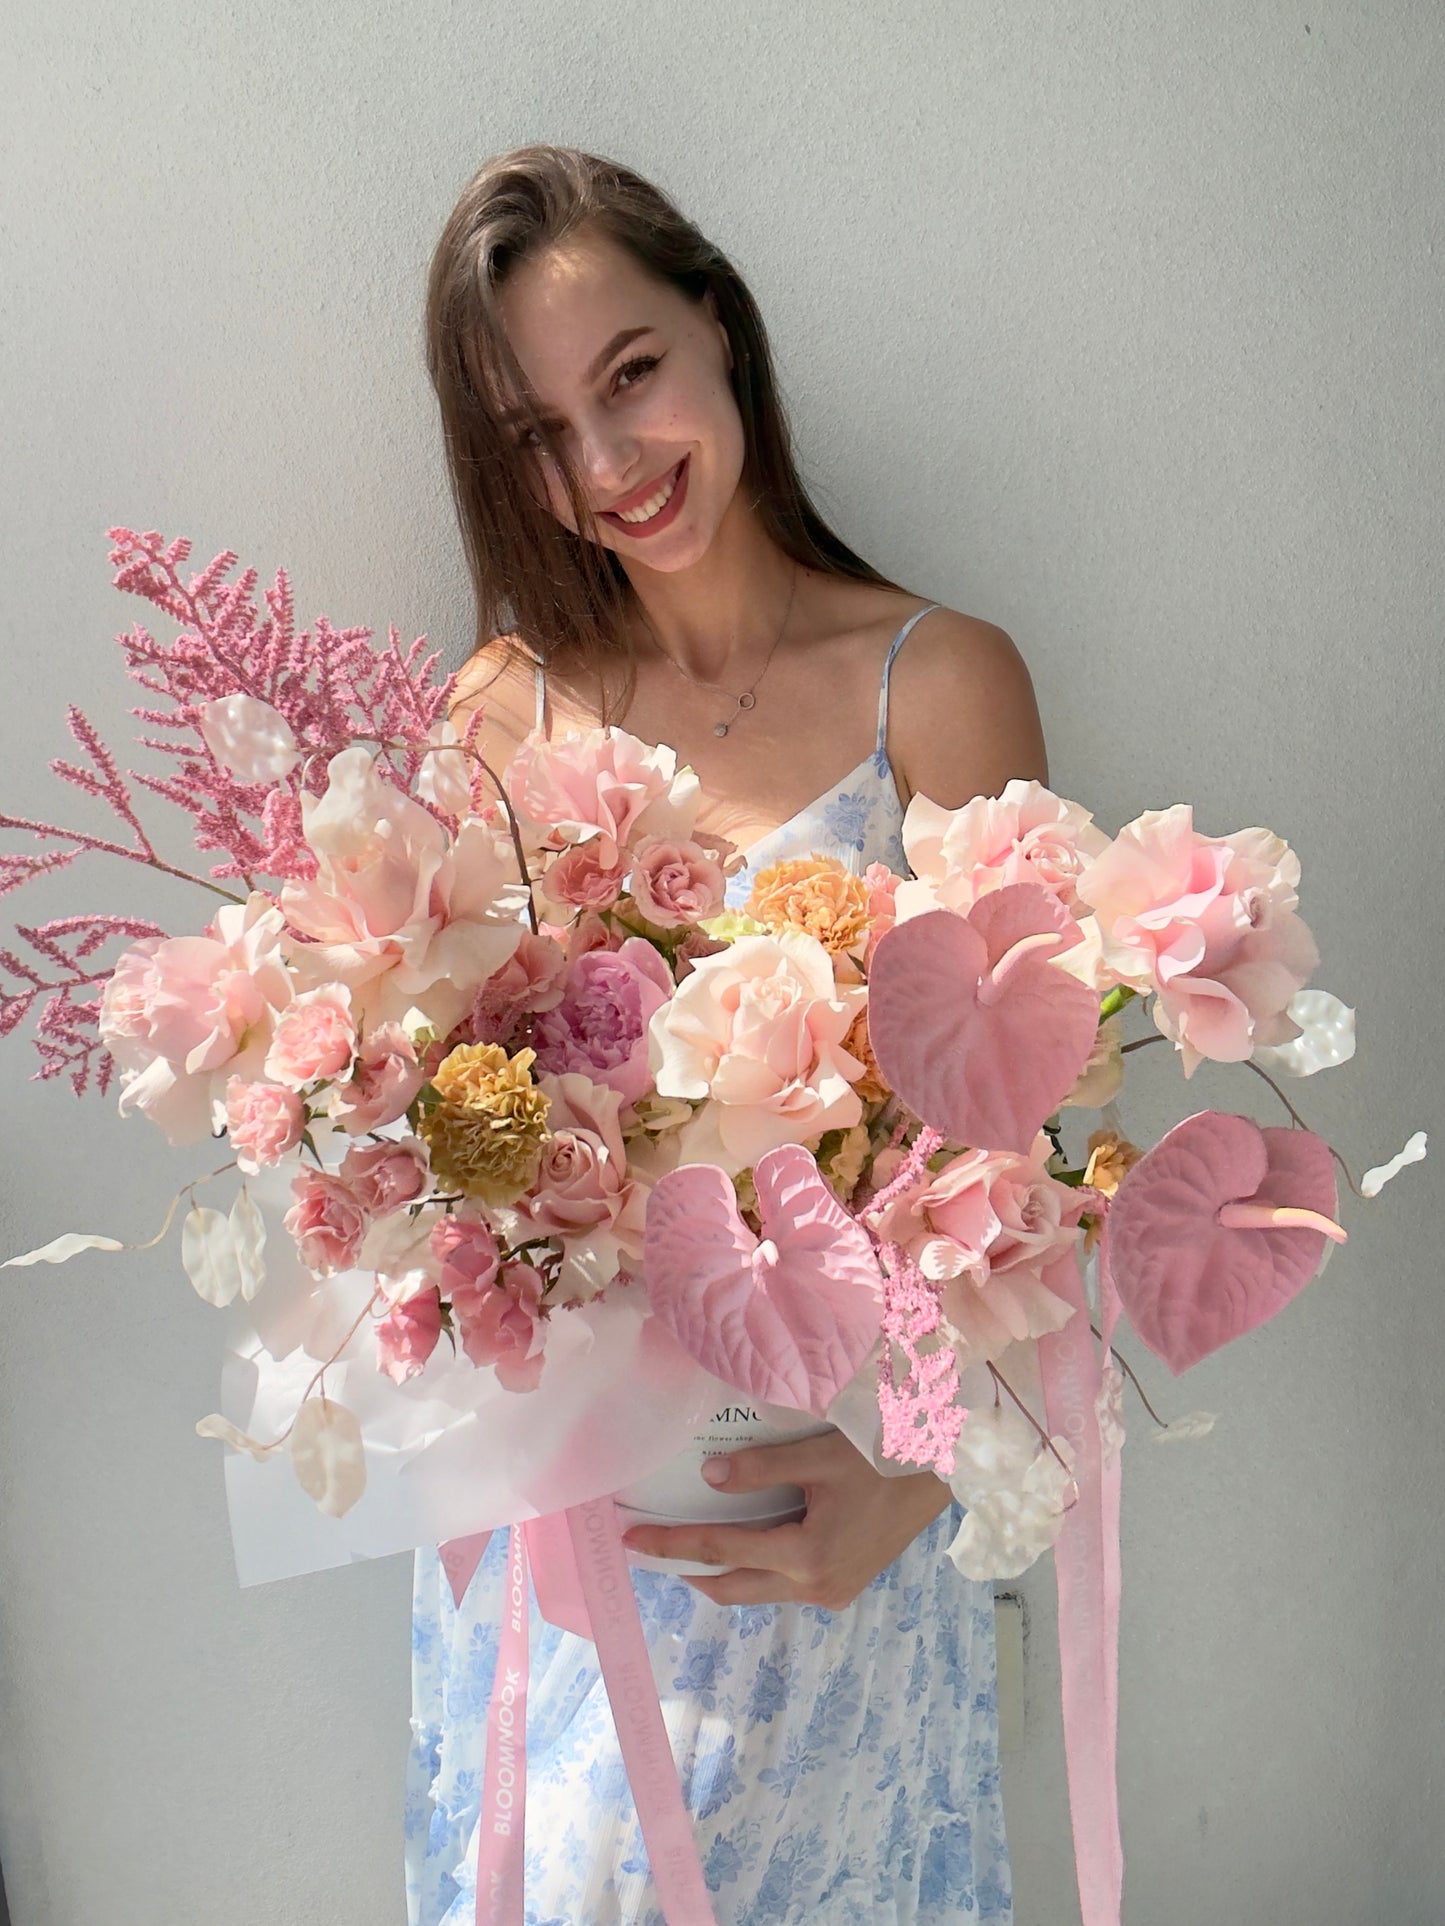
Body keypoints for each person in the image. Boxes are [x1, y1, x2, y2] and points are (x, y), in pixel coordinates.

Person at [405, 144, 1048, 1926]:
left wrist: (912, 1484)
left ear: (720, 328)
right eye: (537, 434)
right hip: (570, 1557)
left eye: (629, 374)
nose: (607, 467)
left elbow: (1029, 1185)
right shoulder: (502, 717)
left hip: (830, 1538)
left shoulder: (940, 682)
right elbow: (444, 1160)